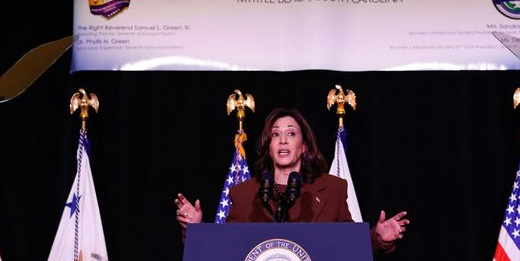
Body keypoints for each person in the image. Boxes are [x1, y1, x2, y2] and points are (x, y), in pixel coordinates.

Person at [175, 107, 408, 251]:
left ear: (304, 145)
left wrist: (379, 238)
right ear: (269, 146)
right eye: (275, 134)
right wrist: (195, 230)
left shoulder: (333, 189)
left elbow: (348, 245)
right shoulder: (244, 194)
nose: (283, 140)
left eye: (291, 133)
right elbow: (224, 249)